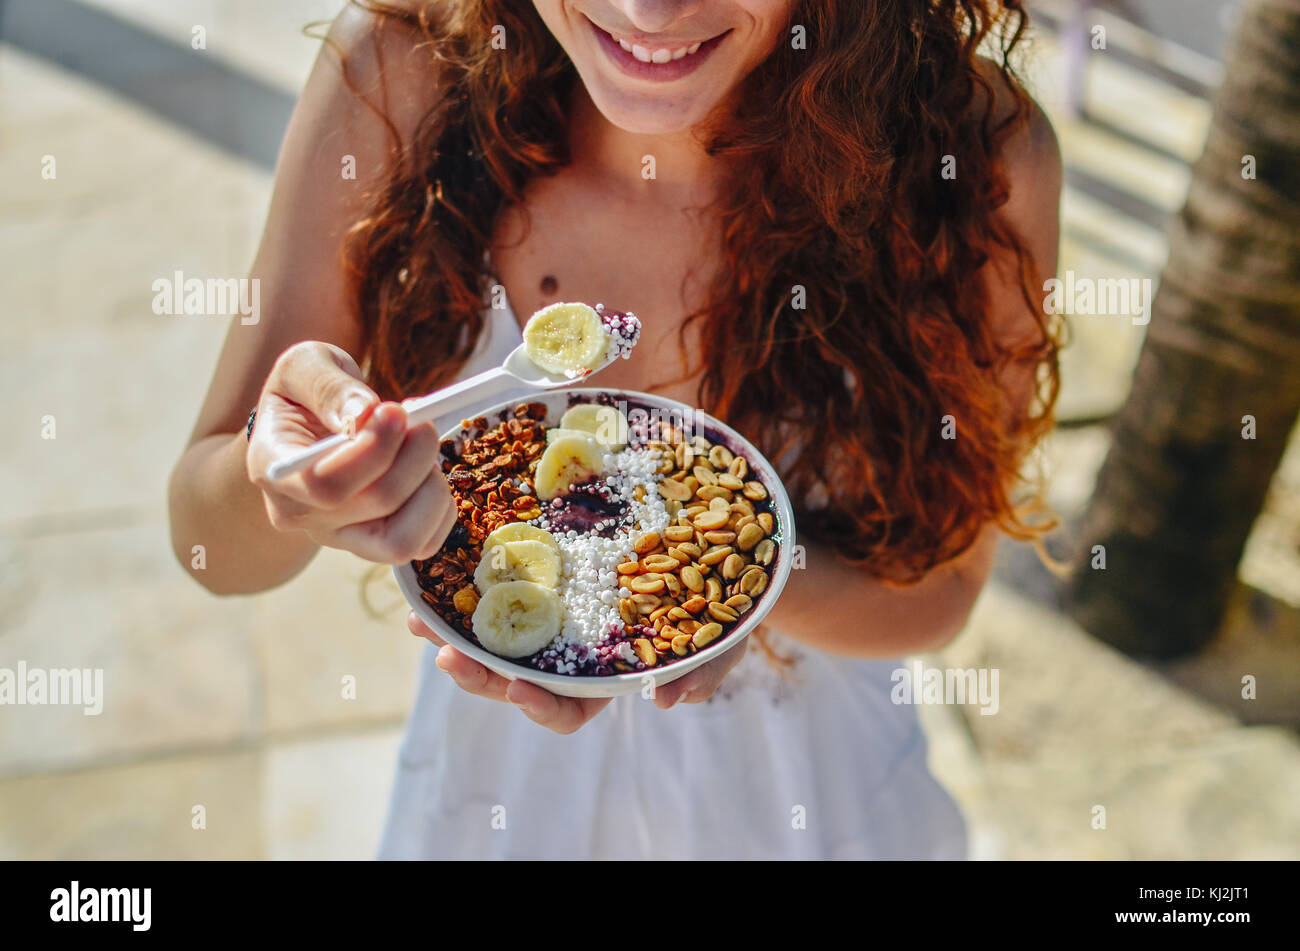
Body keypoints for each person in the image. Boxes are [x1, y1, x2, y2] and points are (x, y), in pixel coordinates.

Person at [169, 0, 1063, 859]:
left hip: (808, 792)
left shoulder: (970, 155)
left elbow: (940, 592)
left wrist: (719, 596)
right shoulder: (404, 71)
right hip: (502, 801)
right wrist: (285, 480)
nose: (647, 11)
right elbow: (209, 545)